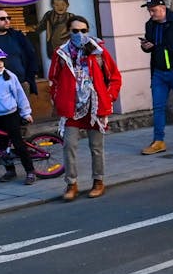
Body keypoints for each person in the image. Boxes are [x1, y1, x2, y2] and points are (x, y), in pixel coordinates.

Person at [49, 15, 121, 201]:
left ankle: (98, 181)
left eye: (83, 30)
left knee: (96, 147)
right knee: (69, 145)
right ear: (69, 32)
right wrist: (58, 99)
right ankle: (71, 184)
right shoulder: (61, 53)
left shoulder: (98, 51)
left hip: (94, 106)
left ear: (88, 31)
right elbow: (53, 79)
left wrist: (109, 96)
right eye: (75, 31)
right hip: (71, 106)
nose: (79, 34)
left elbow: (114, 77)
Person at [0, 44, 37, 185]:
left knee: (19, 144)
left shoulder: (10, 76)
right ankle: (10, 170)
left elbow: (20, 95)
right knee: (2, 146)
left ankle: (30, 171)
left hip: (10, 115)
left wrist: (26, 112)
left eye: (1, 60)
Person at [139, 0, 173, 155]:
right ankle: (158, 141)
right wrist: (146, 47)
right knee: (158, 107)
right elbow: (151, 47)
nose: (151, 14)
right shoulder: (150, 25)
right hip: (159, 73)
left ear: (163, 8)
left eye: (153, 10)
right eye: (149, 11)